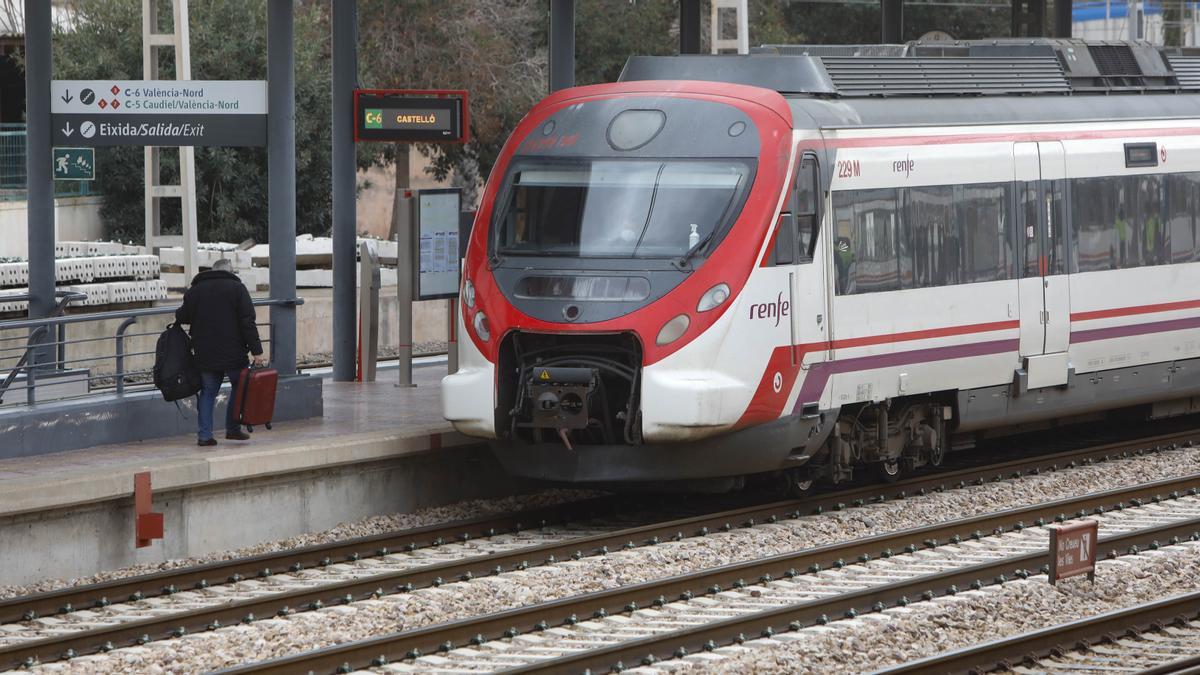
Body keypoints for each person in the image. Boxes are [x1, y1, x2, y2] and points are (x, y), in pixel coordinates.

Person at [175, 258, 264, 446]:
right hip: (234, 352)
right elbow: (248, 322)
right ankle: (232, 429)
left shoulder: (195, 291)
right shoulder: (237, 289)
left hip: (205, 352)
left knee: (208, 392)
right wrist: (257, 351)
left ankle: (205, 435)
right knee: (239, 389)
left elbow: (182, 316)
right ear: (230, 271)